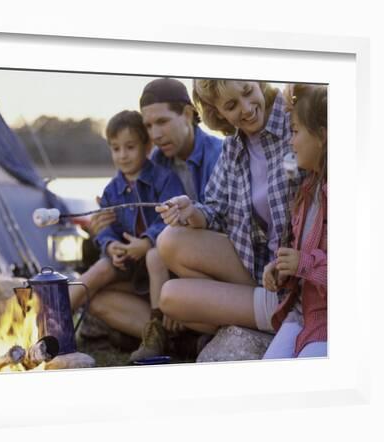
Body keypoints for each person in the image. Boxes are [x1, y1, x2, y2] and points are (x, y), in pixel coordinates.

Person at [88, 78, 223, 361]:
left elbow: (226, 228)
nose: (156, 134)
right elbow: (139, 217)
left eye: (162, 121)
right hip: (163, 266)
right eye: (149, 126)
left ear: (187, 114)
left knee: (157, 254)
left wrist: (177, 283)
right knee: (100, 298)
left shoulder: (218, 155)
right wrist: (106, 227)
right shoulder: (158, 162)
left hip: (206, 267)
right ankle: (171, 337)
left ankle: (176, 325)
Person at [155, 80, 301, 339]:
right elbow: (216, 211)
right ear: (218, 112)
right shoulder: (234, 145)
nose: (246, 109)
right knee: (168, 243)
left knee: (174, 298)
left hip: (298, 273)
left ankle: (279, 313)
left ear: (259, 82)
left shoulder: (294, 116)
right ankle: (256, 313)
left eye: (248, 92)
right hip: (258, 271)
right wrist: (191, 211)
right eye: (231, 105)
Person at [68, 110, 185, 356]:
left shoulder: (165, 180)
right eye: (116, 148)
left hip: (160, 269)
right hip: (129, 267)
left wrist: (146, 242)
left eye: (130, 147)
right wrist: (110, 245)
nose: (122, 155)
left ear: (147, 145)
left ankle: (159, 336)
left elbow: (172, 219)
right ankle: (55, 321)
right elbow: (105, 228)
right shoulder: (112, 189)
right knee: (97, 279)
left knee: (154, 256)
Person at [262, 84, 327, 359]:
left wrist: (303, 263)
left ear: (323, 136)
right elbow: (299, 253)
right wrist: (281, 268)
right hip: (301, 315)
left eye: (296, 131)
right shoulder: (307, 191)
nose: (291, 141)